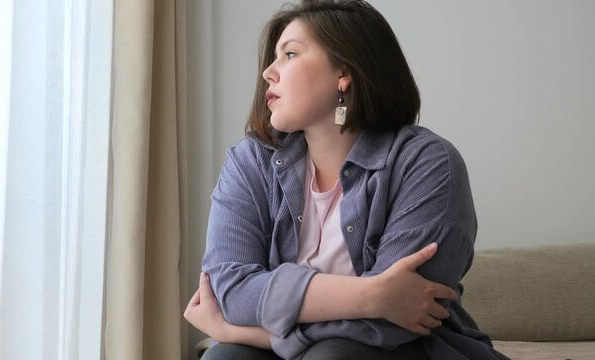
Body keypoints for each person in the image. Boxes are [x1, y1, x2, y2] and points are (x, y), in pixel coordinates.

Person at [184, 1, 509, 359]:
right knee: (226, 357)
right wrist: (372, 296)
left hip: (405, 350)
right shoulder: (250, 161)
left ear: (344, 72)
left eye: (290, 54)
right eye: (273, 58)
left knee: (334, 355)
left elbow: (402, 317)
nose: (268, 73)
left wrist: (252, 333)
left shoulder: (428, 163)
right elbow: (229, 291)